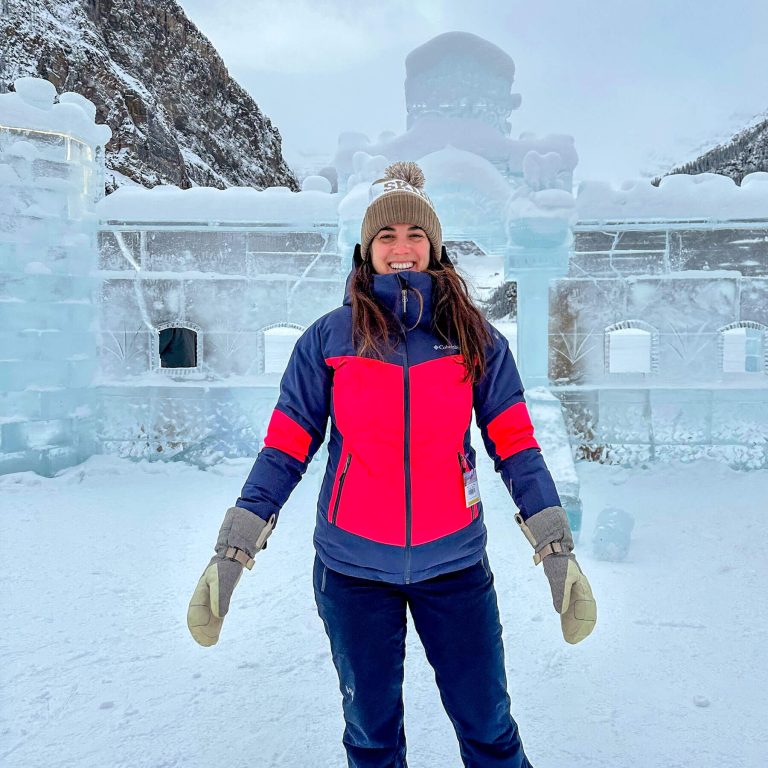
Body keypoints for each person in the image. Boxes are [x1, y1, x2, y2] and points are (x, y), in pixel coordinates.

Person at [187, 161, 597, 768]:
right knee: (372, 738)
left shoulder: (474, 338)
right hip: (352, 572)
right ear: (365, 249)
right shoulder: (329, 340)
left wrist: (555, 547)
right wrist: (234, 550)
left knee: (489, 729)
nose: (401, 248)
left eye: (414, 235)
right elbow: (285, 446)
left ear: (433, 246)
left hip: (454, 566)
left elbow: (514, 442)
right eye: (386, 236)